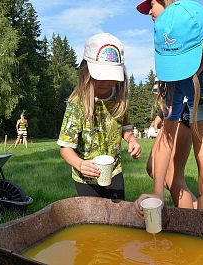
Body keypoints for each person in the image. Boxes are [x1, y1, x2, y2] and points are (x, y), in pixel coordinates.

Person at [135, 0, 203, 216]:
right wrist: (157, 193)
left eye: (152, 3)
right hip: (196, 94)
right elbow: (166, 138)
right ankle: (192, 218)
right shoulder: (178, 81)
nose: (150, 11)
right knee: (159, 169)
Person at [57, 33, 142, 200]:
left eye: (112, 77)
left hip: (114, 171)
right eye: (101, 76)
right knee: (92, 219)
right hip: (85, 177)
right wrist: (80, 164)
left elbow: (125, 127)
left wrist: (132, 140)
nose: (106, 82)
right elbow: (65, 148)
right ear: (85, 71)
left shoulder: (119, 98)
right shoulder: (77, 104)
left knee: (117, 216)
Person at [137, 0, 197, 209]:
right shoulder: (165, 38)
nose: (150, 12)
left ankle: (194, 222)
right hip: (172, 109)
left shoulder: (184, 29)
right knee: (153, 167)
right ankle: (196, 213)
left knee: (173, 177)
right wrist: (161, 115)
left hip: (186, 109)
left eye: (152, 4)